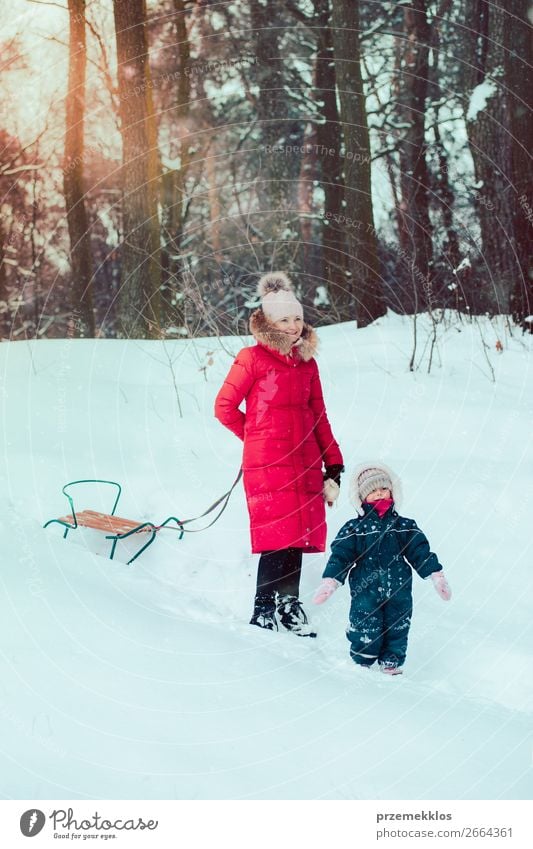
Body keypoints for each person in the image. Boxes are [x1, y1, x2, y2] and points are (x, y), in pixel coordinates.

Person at [214, 271, 344, 636]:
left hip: (304, 461)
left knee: (298, 536)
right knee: (276, 537)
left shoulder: (308, 364)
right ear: (268, 322)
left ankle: (289, 608)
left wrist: (333, 461)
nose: (292, 326)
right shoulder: (252, 358)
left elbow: (319, 415)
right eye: (284, 319)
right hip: (268, 462)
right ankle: (263, 611)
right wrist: (257, 438)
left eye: (297, 318)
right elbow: (223, 406)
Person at [313, 463, 451, 673]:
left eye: (383, 488)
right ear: (360, 497)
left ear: (393, 492)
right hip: (365, 589)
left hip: (399, 588)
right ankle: (363, 660)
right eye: (371, 490)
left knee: (398, 625)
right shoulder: (355, 528)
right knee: (365, 622)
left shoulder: (404, 525)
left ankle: (391, 662)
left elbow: (420, 552)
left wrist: (435, 574)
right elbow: (341, 556)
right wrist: (331, 580)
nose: (378, 492)